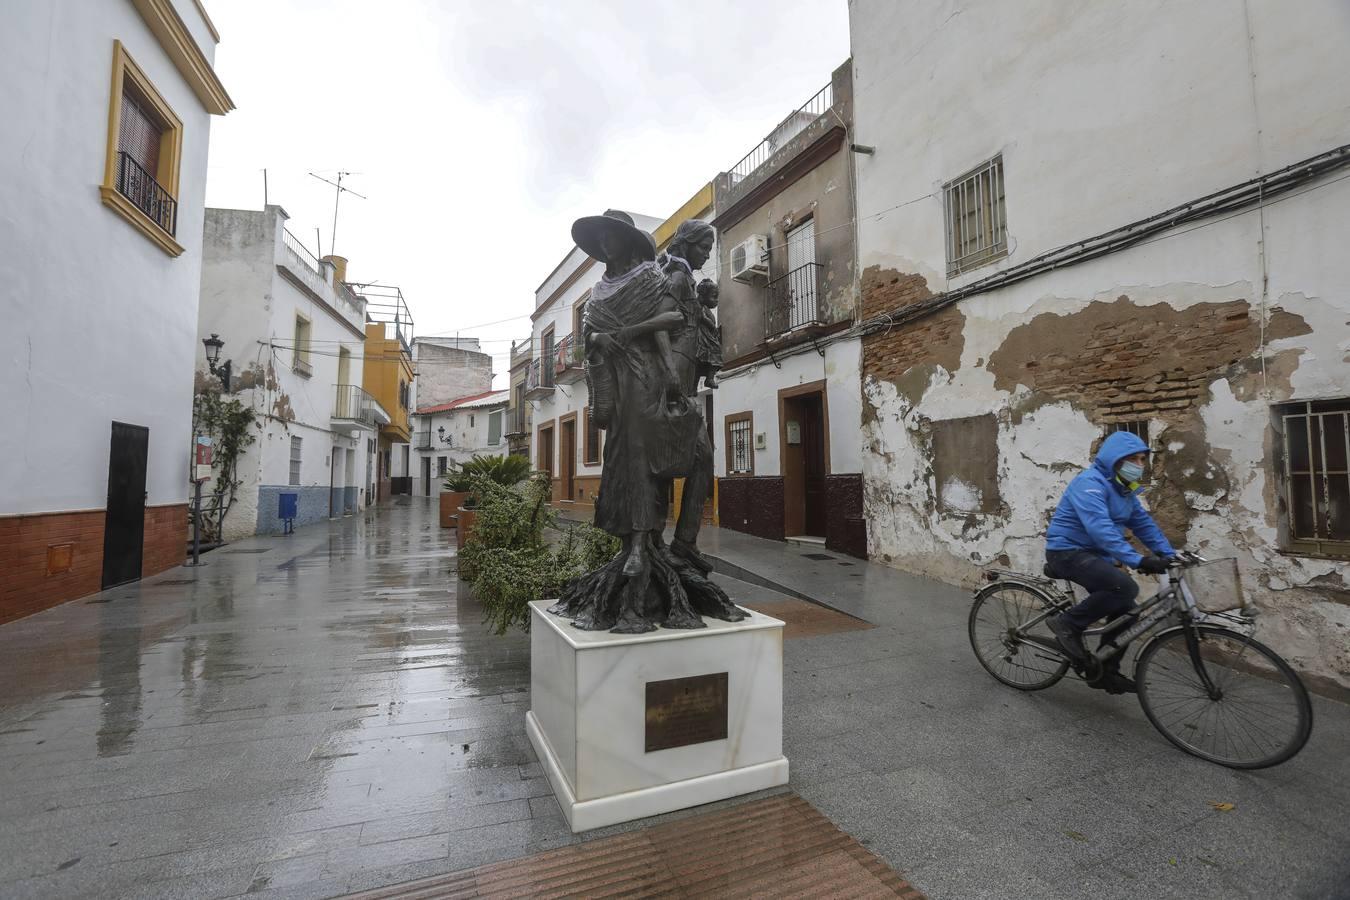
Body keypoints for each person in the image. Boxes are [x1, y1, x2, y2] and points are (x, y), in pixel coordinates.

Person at [1044, 430, 1176, 693]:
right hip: (1066, 552)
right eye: (1134, 460)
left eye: (1142, 460)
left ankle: (1105, 671)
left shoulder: (1125, 488)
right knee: (1125, 587)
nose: (1140, 466)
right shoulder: (1089, 483)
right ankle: (1066, 624)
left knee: (1128, 610)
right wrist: (1138, 560)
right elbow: (1100, 528)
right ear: (1114, 460)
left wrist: (1169, 554)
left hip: (1095, 555)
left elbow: (1142, 522)